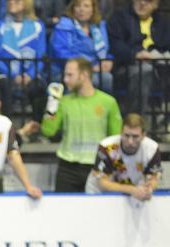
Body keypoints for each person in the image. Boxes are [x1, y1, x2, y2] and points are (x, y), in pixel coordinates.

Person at [41, 57, 122, 192]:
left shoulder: (108, 102)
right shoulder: (62, 101)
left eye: (70, 75)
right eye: (65, 75)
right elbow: (48, 131)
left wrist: (112, 168)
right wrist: (52, 103)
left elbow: (115, 138)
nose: (65, 79)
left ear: (84, 75)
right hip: (67, 167)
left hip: (97, 167)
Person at [0, 0, 47, 122]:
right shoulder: (0, 26)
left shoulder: (38, 26)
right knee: (4, 85)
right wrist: (13, 75)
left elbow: (41, 56)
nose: (11, 2)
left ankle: (35, 128)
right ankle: (7, 127)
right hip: (6, 73)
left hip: (31, 74)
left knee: (38, 87)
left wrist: (29, 75)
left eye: (16, 1)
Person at [107, 0, 170, 114]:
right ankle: (135, 121)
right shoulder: (120, 17)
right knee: (144, 70)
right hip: (127, 66)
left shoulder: (162, 22)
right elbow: (115, 45)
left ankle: (165, 118)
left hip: (160, 67)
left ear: (155, 5)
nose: (142, 3)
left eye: (148, 1)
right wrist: (135, 55)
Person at [86, 113, 162, 201]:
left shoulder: (152, 149)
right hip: (99, 194)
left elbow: (153, 179)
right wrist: (132, 190)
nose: (130, 141)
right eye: (126, 135)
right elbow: (103, 182)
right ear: (121, 133)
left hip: (134, 194)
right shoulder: (107, 147)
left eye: (135, 136)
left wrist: (149, 189)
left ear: (143, 135)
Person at [50, 0, 113, 93]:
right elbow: (61, 53)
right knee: (103, 79)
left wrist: (108, 61)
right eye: (78, 6)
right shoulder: (63, 26)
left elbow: (105, 50)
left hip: (93, 69)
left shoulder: (98, 26)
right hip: (66, 70)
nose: (81, 10)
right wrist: (88, 66)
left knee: (107, 78)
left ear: (93, 9)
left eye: (86, 6)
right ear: (72, 8)